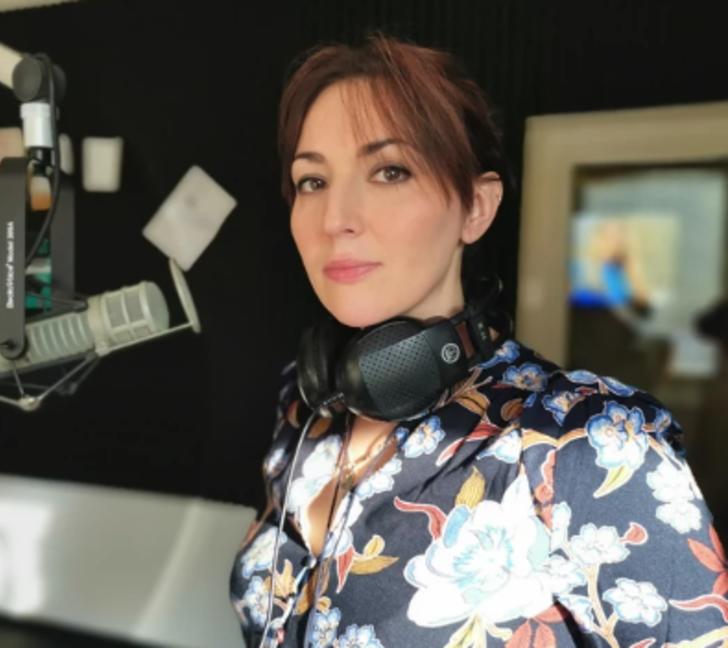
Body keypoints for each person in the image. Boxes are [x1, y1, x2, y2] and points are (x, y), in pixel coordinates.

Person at [229, 34, 728, 647]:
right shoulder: (306, 405)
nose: (336, 219)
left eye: (390, 171)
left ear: (476, 208)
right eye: (312, 181)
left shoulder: (587, 441)